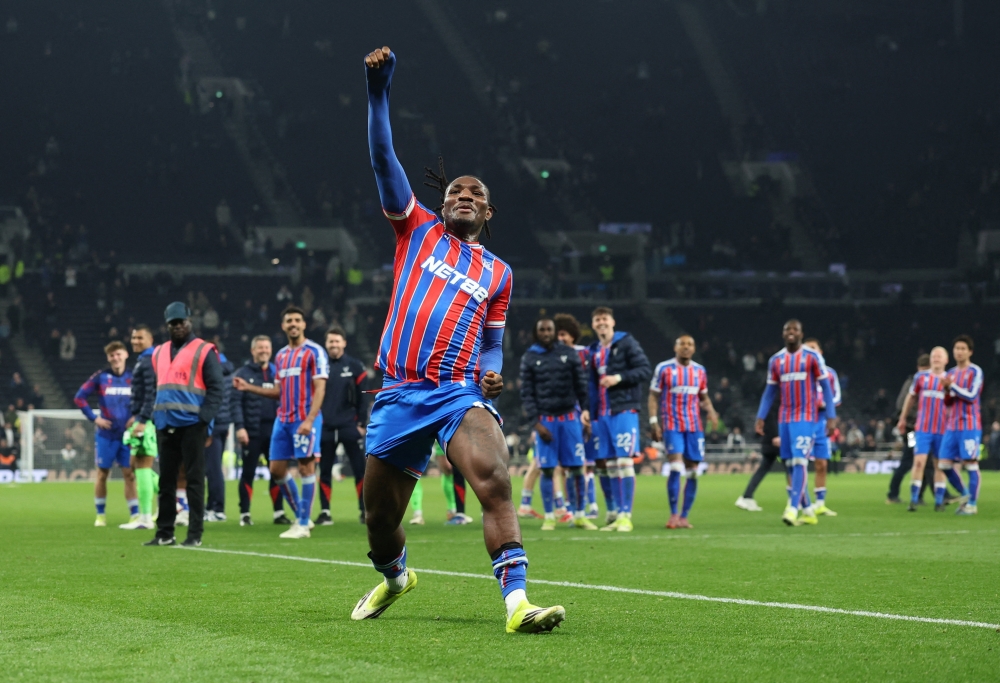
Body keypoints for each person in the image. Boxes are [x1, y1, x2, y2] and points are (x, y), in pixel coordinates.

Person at [353, 46, 563, 633]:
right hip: (398, 394)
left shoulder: (499, 273)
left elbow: (493, 342)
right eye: (454, 192)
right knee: (378, 519)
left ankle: (517, 604)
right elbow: (381, 158)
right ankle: (396, 576)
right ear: (440, 204)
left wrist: (491, 369)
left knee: (494, 480)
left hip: (457, 392)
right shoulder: (414, 229)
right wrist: (378, 93)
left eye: (473, 193)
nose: (462, 195)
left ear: (488, 210)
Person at [233, 305, 328, 538]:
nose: (293, 324)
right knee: (276, 470)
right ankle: (301, 515)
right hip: (282, 420)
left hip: (304, 419)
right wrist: (249, 388)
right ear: (283, 325)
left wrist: (310, 419)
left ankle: (303, 523)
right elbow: (278, 391)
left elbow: (320, 388)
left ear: (304, 324)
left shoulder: (314, 351)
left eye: (297, 320)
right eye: (289, 321)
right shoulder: (282, 356)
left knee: (306, 466)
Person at [145, 302, 225, 547]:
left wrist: (204, 419)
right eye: (173, 323)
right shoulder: (158, 352)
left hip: (192, 424)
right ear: (167, 325)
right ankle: (165, 533)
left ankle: (194, 534)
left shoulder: (204, 350)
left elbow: (217, 388)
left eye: (181, 322)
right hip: (164, 423)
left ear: (190, 322)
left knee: (194, 479)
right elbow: (158, 387)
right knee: (166, 481)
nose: (178, 326)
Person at [755, 320, 836, 527]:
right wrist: (760, 416)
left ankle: (792, 508)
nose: (791, 332)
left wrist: (831, 415)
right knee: (790, 464)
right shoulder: (776, 360)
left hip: (806, 417)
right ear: (783, 334)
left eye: (795, 330)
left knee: (800, 460)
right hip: (785, 417)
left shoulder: (812, 357)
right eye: (787, 330)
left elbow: (826, 387)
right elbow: (770, 392)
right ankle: (808, 510)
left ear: (801, 333)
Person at [519, 318, 594, 531]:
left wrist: (586, 412)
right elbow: (527, 394)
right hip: (546, 421)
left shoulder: (569, 354)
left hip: (569, 418)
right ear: (536, 332)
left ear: (554, 332)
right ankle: (550, 517)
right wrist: (536, 424)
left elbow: (581, 385)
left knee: (578, 468)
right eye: (541, 329)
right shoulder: (530, 357)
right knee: (548, 470)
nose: (546, 333)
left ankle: (579, 515)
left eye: (549, 329)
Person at [587, 306, 652, 532]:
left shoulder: (626, 343)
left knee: (624, 462)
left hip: (623, 410)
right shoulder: (593, 350)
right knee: (609, 465)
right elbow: (590, 385)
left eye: (605, 319)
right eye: (597, 320)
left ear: (612, 322)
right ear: (593, 325)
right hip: (601, 414)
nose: (601, 323)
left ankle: (626, 515)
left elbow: (644, 370)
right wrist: (588, 409)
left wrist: (618, 378)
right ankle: (615, 514)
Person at [649, 334, 719, 530]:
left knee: (693, 473)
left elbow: (703, 397)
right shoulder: (664, 369)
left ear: (694, 349)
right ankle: (673, 514)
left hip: (694, 427)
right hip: (672, 424)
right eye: (682, 344)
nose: (686, 347)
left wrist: (712, 412)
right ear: (675, 348)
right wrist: (654, 421)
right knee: (675, 468)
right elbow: (653, 396)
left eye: (690, 344)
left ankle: (684, 516)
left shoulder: (699, 371)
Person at [75, 341, 137, 527]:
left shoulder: (134, 376)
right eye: (111, 355)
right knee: (102, 474)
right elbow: (79, 397)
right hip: (106, 435)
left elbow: (148, 397)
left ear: (126, 354)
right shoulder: (101, 377)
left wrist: (137, 416)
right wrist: (95, 418)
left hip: (128, 435)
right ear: (108, 358)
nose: (115, 358)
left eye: (118, 354)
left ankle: (134, 514)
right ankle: (100, 515)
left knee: (129, 474)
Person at [231, 336, 289, 526]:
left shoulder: (278, 373)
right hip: (251, 431)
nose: (263, 350)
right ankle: (245, 514)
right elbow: (236, 404)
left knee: (277, 472)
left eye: (266, 347)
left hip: (274, 432)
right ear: (253, 351)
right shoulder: (242, 374)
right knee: (248, 472)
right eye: (260, 348)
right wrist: (240, 428)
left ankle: (279, 512)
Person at [318, 326, 370, 525]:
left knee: (360, 470)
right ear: (326, 344)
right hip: (326, 426)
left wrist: (360, 424)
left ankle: (364, 511)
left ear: (344, 343)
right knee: (324, 471)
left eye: (337, 341)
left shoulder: (355, 366)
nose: (334, 345)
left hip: (350, 426)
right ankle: (325, 512)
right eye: (331, 341)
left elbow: (363, 398)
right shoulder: (320, 366)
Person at [554, 313, 599, 518]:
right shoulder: (551, 355)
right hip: (562, 414)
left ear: (572, 334)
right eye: (558, 335)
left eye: (563, 334)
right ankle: (571, 506)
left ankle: (592, 505)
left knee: (586, 463)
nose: (560, 338)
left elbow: (591, 384)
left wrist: (589, 410)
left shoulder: (586, 354)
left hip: (585, 413)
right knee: (567, 465)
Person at [895, 349, 948, 512]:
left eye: (939, 356)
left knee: (939, 465)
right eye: (934, 356)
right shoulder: (921, 378)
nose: (936, 359)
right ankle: (913, 500)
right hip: (922, 429)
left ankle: (939, 502)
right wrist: (902, 418)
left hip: (943, 429)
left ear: (946, 360)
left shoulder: (949, 379)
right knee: (918, 463)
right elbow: (910, 398)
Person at [938, 335, 983, 515]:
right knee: (944, 465)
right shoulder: (950, 373)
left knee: (971, 464)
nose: (959, 351)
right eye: (957, 348)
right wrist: (947, 390)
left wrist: (953, 387)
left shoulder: (975, 371)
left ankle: (972, 504)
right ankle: (965, 494)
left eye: (963, 348)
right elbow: (948, 402)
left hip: (970, 425)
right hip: (952, 425)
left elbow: (972, 396)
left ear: (970, 352)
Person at [120, 325, 157, 530]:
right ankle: (172, 500)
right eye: (133, 337)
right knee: (135, 464)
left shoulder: (150, 361)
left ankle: (145, 518)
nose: (135, 341)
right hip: (142, 418)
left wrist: (142, 419)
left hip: (148, 421)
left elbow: (151, 393)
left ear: (150, 340)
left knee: (142, 465)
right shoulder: (144, 360)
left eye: (140, 338)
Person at [803, 339, 841, 516]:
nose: (811, 351)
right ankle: (799, 501)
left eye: (813, 348)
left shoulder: (830, 374)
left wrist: (822, 404)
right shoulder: (801, 373)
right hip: (803, 421)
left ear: (820, 352)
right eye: (807, 349)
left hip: (821, 423)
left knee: (822, 464)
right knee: (799, 464)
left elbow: (836, 398)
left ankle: (820, 503)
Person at [204, 349, 234, 522]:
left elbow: (211, 402)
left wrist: (208, 428)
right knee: (213, 468)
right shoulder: (227, 371)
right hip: (222, 424)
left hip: (212, 426)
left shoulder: (212, 373)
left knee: (213, 469)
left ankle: (217, 508)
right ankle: (211, 506)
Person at [735, 398, 779, 511]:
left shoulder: (771, 399)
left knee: (764, 468)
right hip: (773, 440)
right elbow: (771, 418)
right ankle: (798, 500)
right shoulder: (775, 399)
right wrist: (775, 436)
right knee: (792, 467)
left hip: (769, 439)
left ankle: (747, 496)